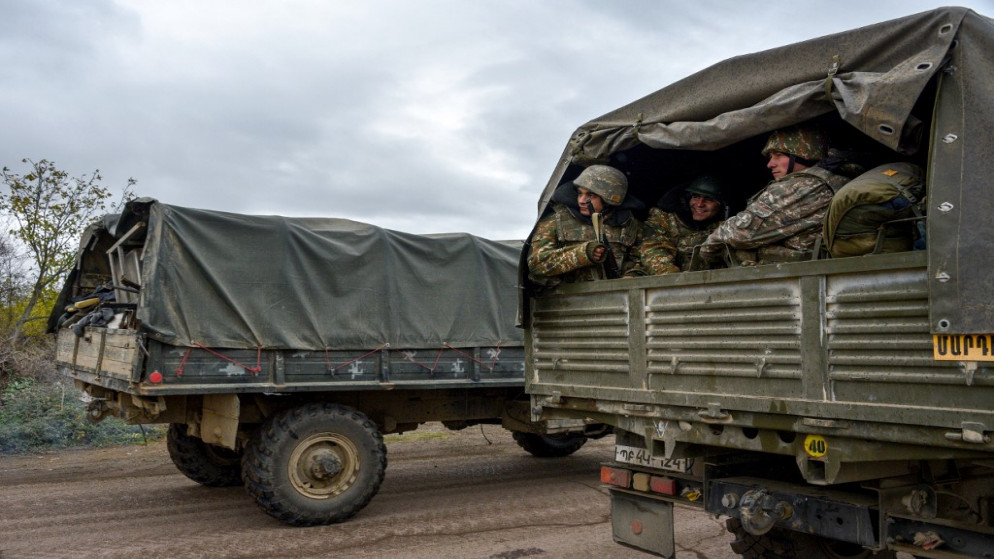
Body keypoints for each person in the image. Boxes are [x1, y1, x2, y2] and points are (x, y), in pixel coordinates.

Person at [699, 125, 851, 265]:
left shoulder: (800, 187)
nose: (770, 164)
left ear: (803, 154)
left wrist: (707, 249)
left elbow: (741, 233)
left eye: (778, 155)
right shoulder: (834, 180)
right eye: (771, 157)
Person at [527, 164, 644, 285]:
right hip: (568, 298)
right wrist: (583, 253)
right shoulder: (555, 221)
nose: (582, 200)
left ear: (608, 199)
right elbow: (536, 264)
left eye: (591, 195)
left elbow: (643, 262)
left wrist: (631, 277)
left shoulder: (630, 226)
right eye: (580, 193)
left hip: (619, 297)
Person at [641, 175, 729, 274]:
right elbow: (654, 250)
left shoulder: (727, 226)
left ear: (721, 205)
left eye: (709, 199)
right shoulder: (665, 219)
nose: (700, 204)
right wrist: (675, 280)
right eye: (695, 197)